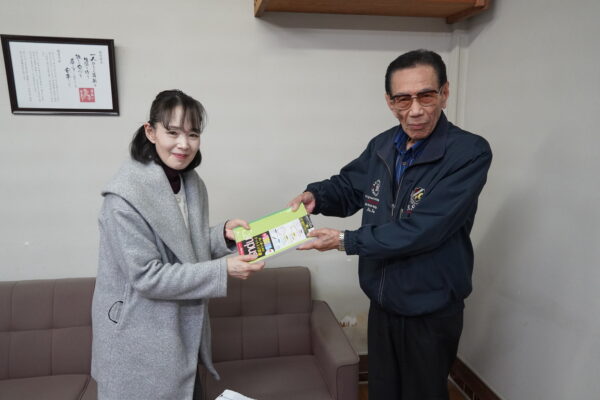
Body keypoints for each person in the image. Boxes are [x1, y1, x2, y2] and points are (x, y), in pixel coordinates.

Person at [289, 49, 492, 400]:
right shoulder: (383, 145)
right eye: (403, 99)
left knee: (423, 394)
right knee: (383, 391)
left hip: (430, 307)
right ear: (389, 101)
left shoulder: (469, 152)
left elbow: (425, 228)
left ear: (445, 93)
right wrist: (317, 197)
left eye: (426, 96)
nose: (415, 110)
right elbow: (350, 187)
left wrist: (346, 240)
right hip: (383, 301)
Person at [91, 89, 264, 400]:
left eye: (193, 134)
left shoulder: (191, 183)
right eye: (173, 132)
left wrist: (221, 236)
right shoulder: (123, 198)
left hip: (181, 336)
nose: (184, 144)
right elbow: (147, 275)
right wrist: (222, 269)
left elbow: (182, 246)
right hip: (138, 338)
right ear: (151, 132)